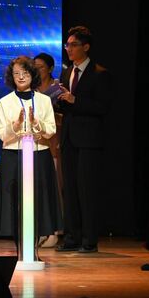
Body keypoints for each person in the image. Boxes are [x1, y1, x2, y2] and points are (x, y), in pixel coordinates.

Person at [0, 56, 60, 251]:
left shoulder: (44, 100)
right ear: (11, 77)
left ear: (33, 74)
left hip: (39, 155)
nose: (21, 77)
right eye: (16, 73)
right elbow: (1, 134)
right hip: (13, 156)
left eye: (25, 73)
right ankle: (20, 249)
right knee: (14, 204)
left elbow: (51, 130)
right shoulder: (5, 102)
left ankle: (33, 249)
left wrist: (37, 123)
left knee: (38, 202)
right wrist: (15, 126)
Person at [55, 26, 113, 253]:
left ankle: (89, 240)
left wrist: (74, 100)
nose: (68, 49)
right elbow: (67, 106)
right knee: (69, 190)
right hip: (69, 138)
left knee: (86, 191)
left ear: (86, 47)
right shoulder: (67, 72)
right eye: (67, 45)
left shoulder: (100, 73)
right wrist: (59, 100)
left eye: (73, 45)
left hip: (89, 140)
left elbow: (103, 107)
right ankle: (72, 237)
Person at [34, 52, 64, 248]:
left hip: (55, 143)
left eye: (41, 67)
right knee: (39, 189)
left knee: (56, 189)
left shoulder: (58, 89)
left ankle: (55, 231)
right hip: (36, 145)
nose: (37, 71)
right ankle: (42, 229)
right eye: (34, 67)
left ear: (51, 68)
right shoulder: (32, 90)